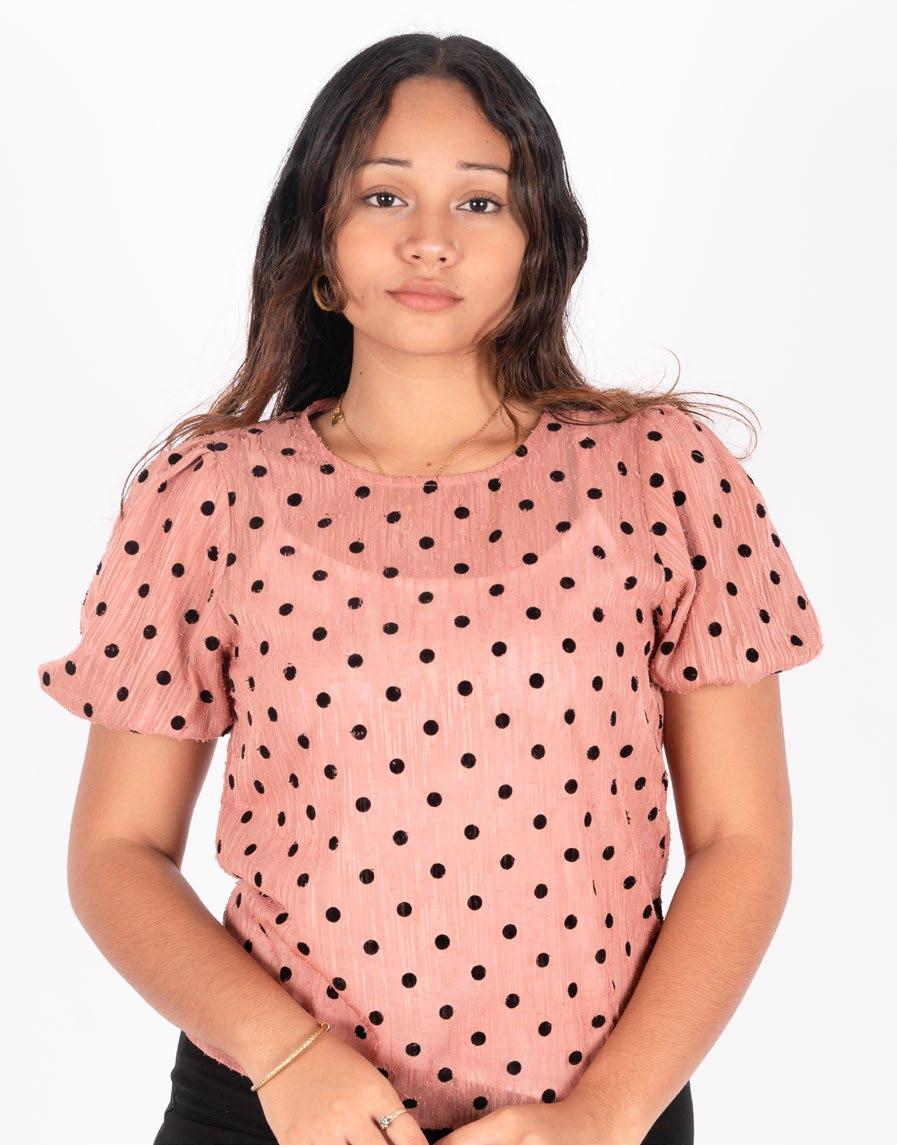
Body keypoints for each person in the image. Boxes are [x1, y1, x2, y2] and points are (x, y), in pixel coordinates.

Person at [36, 31, 823, 1145]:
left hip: (597, 1120)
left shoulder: (661, 472)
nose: (430, 240)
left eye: (480, 202)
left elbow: (743, 841)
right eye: (383, 195)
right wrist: (287, 1058)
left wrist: (602, 1117)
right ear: (318, 240)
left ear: (539, 242)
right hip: (271, 1111)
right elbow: (115, 851)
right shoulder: (209, 493)